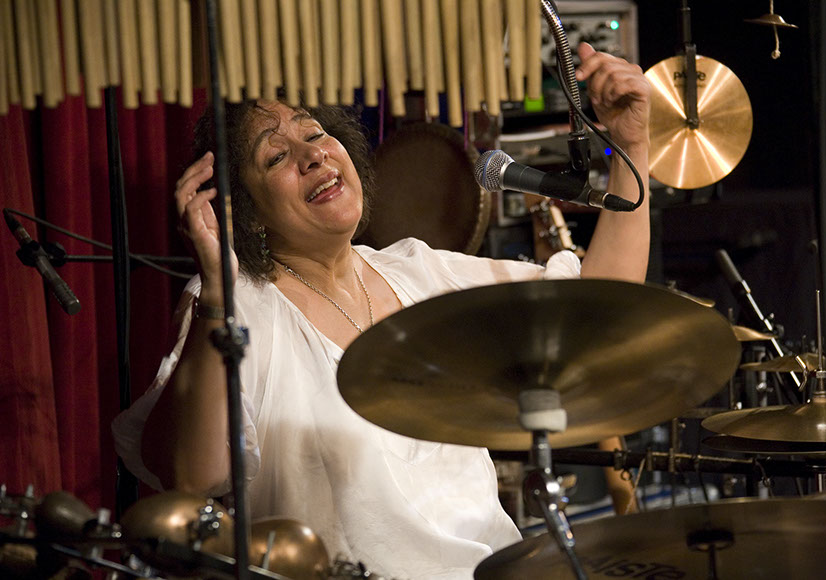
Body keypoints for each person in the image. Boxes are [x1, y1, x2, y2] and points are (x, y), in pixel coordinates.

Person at [113, 42, 650, 579]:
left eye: (314, 134)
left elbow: (595, 310)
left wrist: (631, 145)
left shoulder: (420, 271)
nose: (312, 156)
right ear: (246, 212)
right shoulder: (235, 303)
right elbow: (194, 477)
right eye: (275, 157)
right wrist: (216, 294)